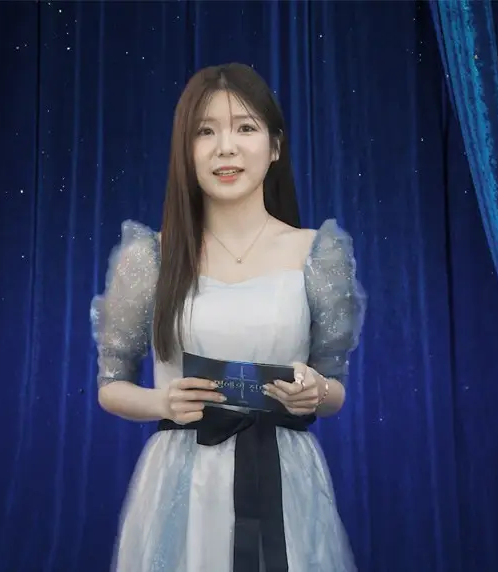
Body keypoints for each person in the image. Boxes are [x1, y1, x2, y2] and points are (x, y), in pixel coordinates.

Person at [90, 62, 366, 572]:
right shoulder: (150, 257)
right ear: (185, 150)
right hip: (180, 485)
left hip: (285, 478)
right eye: (205, 131)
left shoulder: (317, 253)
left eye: (245, 128)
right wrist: (162, 402)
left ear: (274, 146)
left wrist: (315, 391)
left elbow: (334, 390)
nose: (226, 148)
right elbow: (111, 385)